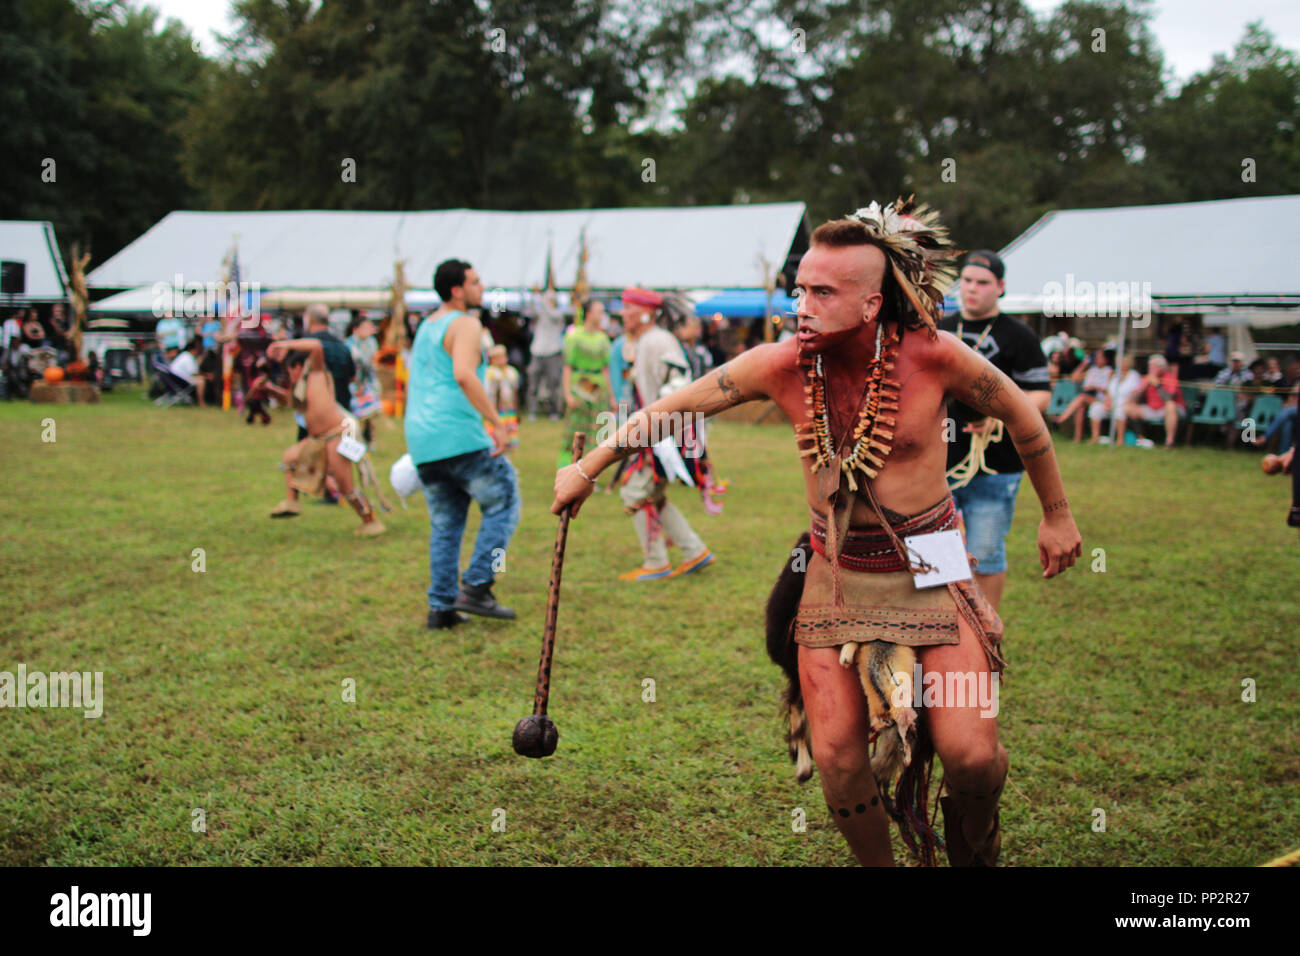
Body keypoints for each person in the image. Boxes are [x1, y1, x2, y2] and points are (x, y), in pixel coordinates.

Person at [552, 200, 1081, 867]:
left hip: (934, 562)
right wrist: (588, 467)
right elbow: (671, 409)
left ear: (870, 304)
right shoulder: (780, 364)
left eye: (821, 292)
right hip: (835, 569)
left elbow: (1026, 422)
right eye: (798, 288)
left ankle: (976, 849)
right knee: (835, 755)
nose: (800, 304)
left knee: (971, 754)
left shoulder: (936, 355)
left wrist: (1058, 514)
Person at [406, 259, 521, 630]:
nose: (482, 287)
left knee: (446, 523)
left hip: (423, 439)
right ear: (456, 290)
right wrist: (496, 422)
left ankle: (441, 608)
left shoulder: (427, 326)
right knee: (504, 500)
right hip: (455, 433)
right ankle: (476, 586)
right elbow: (463, 375)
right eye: (475, 281)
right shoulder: (467, 323)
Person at [939, 250, 1052, 613]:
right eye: (967, 281)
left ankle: (985, 635)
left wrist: (1002, 414)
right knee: (937, 554)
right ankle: (937, 629)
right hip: (937, 463)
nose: (972, 289)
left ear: (1000, 287)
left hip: (996, 465)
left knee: (985, 552)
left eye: (983, 283)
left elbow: (1041, 395)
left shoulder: (1018, 335)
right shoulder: (938, 329)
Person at [611, 287, 714, 582]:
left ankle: (656, 561)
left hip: (666, 433)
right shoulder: (650, 340)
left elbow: (680, 383)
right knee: (652, 494)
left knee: (634, 492)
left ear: (646, 312)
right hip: (661, 431)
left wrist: (659, 421)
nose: (623, 314)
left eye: (629, 309)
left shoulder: (657, 340)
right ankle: (694, 550)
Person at [264, 337, 386, 536]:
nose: (288, 374)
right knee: (289, 457)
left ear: (299, 367)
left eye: (290, 370)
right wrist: (270, 390)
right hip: (318, 440)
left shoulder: (317, 372)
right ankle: (292, 502)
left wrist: (286, 344)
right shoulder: (300, 387)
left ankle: (370, 521)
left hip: (336, 437)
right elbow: (289, 402)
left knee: (346, 487)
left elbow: (316, 345)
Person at [560, 300, 614, 467]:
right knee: (575, 429)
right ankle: (569, 465)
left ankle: (589, 468)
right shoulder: (574, 336)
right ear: (588, 314)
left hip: (598, 387)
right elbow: (567, 366)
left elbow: (606, 369)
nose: (601, 315)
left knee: (596, 430)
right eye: (599, 311)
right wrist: (567, 393)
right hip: (579, 385)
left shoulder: (603, 338)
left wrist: (611, 396)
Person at [1118, 354, 1186, 448]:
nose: (1150, 369)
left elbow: (1169, 399)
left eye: (1153, 367)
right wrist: (1145, 385)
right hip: (1152, 409)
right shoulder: (1146, 378)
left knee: (1170, 405)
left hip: (1170, 410)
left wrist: (1158, 385)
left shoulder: (1170, 378)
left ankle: (1169, 441)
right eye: (1150, 367)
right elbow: (1134, 399)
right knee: (1128, 408)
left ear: (1162, 368)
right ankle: (1141, 438)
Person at [1054, 348, 1112, 442]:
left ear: (1106, 359)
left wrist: (1095, 387)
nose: (1097, 359)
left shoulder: (1109, 372)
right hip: (1088, 397)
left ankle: (1062, 418)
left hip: (1101, 398)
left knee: (1081, 398)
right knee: (1080, 408)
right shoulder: (1092, 370)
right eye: (1096, 357)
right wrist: (1084, 364)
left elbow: (1110, 389)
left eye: (1100, 357)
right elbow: (1073, 377)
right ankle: (1077, 438)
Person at [524, 289, 566, 420]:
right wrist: (532, 295)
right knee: (533, 384)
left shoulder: (558, 314)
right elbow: (530, 309)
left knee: (554, 384)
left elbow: (549, 312)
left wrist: (542, 298)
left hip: (553, 352)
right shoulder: (540, 314)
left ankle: (554, 411)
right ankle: (532, 411)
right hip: (537, 352)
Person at [345, 314, 383, 446]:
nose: (368, 330)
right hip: (355, 383)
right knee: (356, 414)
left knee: (371, 414)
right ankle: (355, 440)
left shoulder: (372, 342)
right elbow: (355, 366)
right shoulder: (350, 344)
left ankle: (369, 439)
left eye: (369, 327)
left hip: (369, 382)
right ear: (356, 329)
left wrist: (375, 384)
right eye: (365, 327)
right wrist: (358, 385)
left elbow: (372, 364)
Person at [1091, 353, 1142, 444]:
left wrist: (1123, 403)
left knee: (1119, 411)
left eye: (1121, 362)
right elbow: (1109, 391)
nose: (1119, 364)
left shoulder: (1134, 375)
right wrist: (1107, 400)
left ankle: (1120, 439)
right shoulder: (1115, 375)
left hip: (1125, 404)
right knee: (1096, 408)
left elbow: (1135, 393)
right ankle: (1095, 437)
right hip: (1111, 403)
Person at [485, 344, 521, 449]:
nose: (501, 360)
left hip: (509, 411)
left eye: (503, 357)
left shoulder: (511, 372)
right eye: (498, 357)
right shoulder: (490, 373)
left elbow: (515, 392)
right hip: (495, 410)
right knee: (494, 436)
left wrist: (516, 409)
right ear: (492, 360)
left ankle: (507, 455)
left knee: (510, 434)